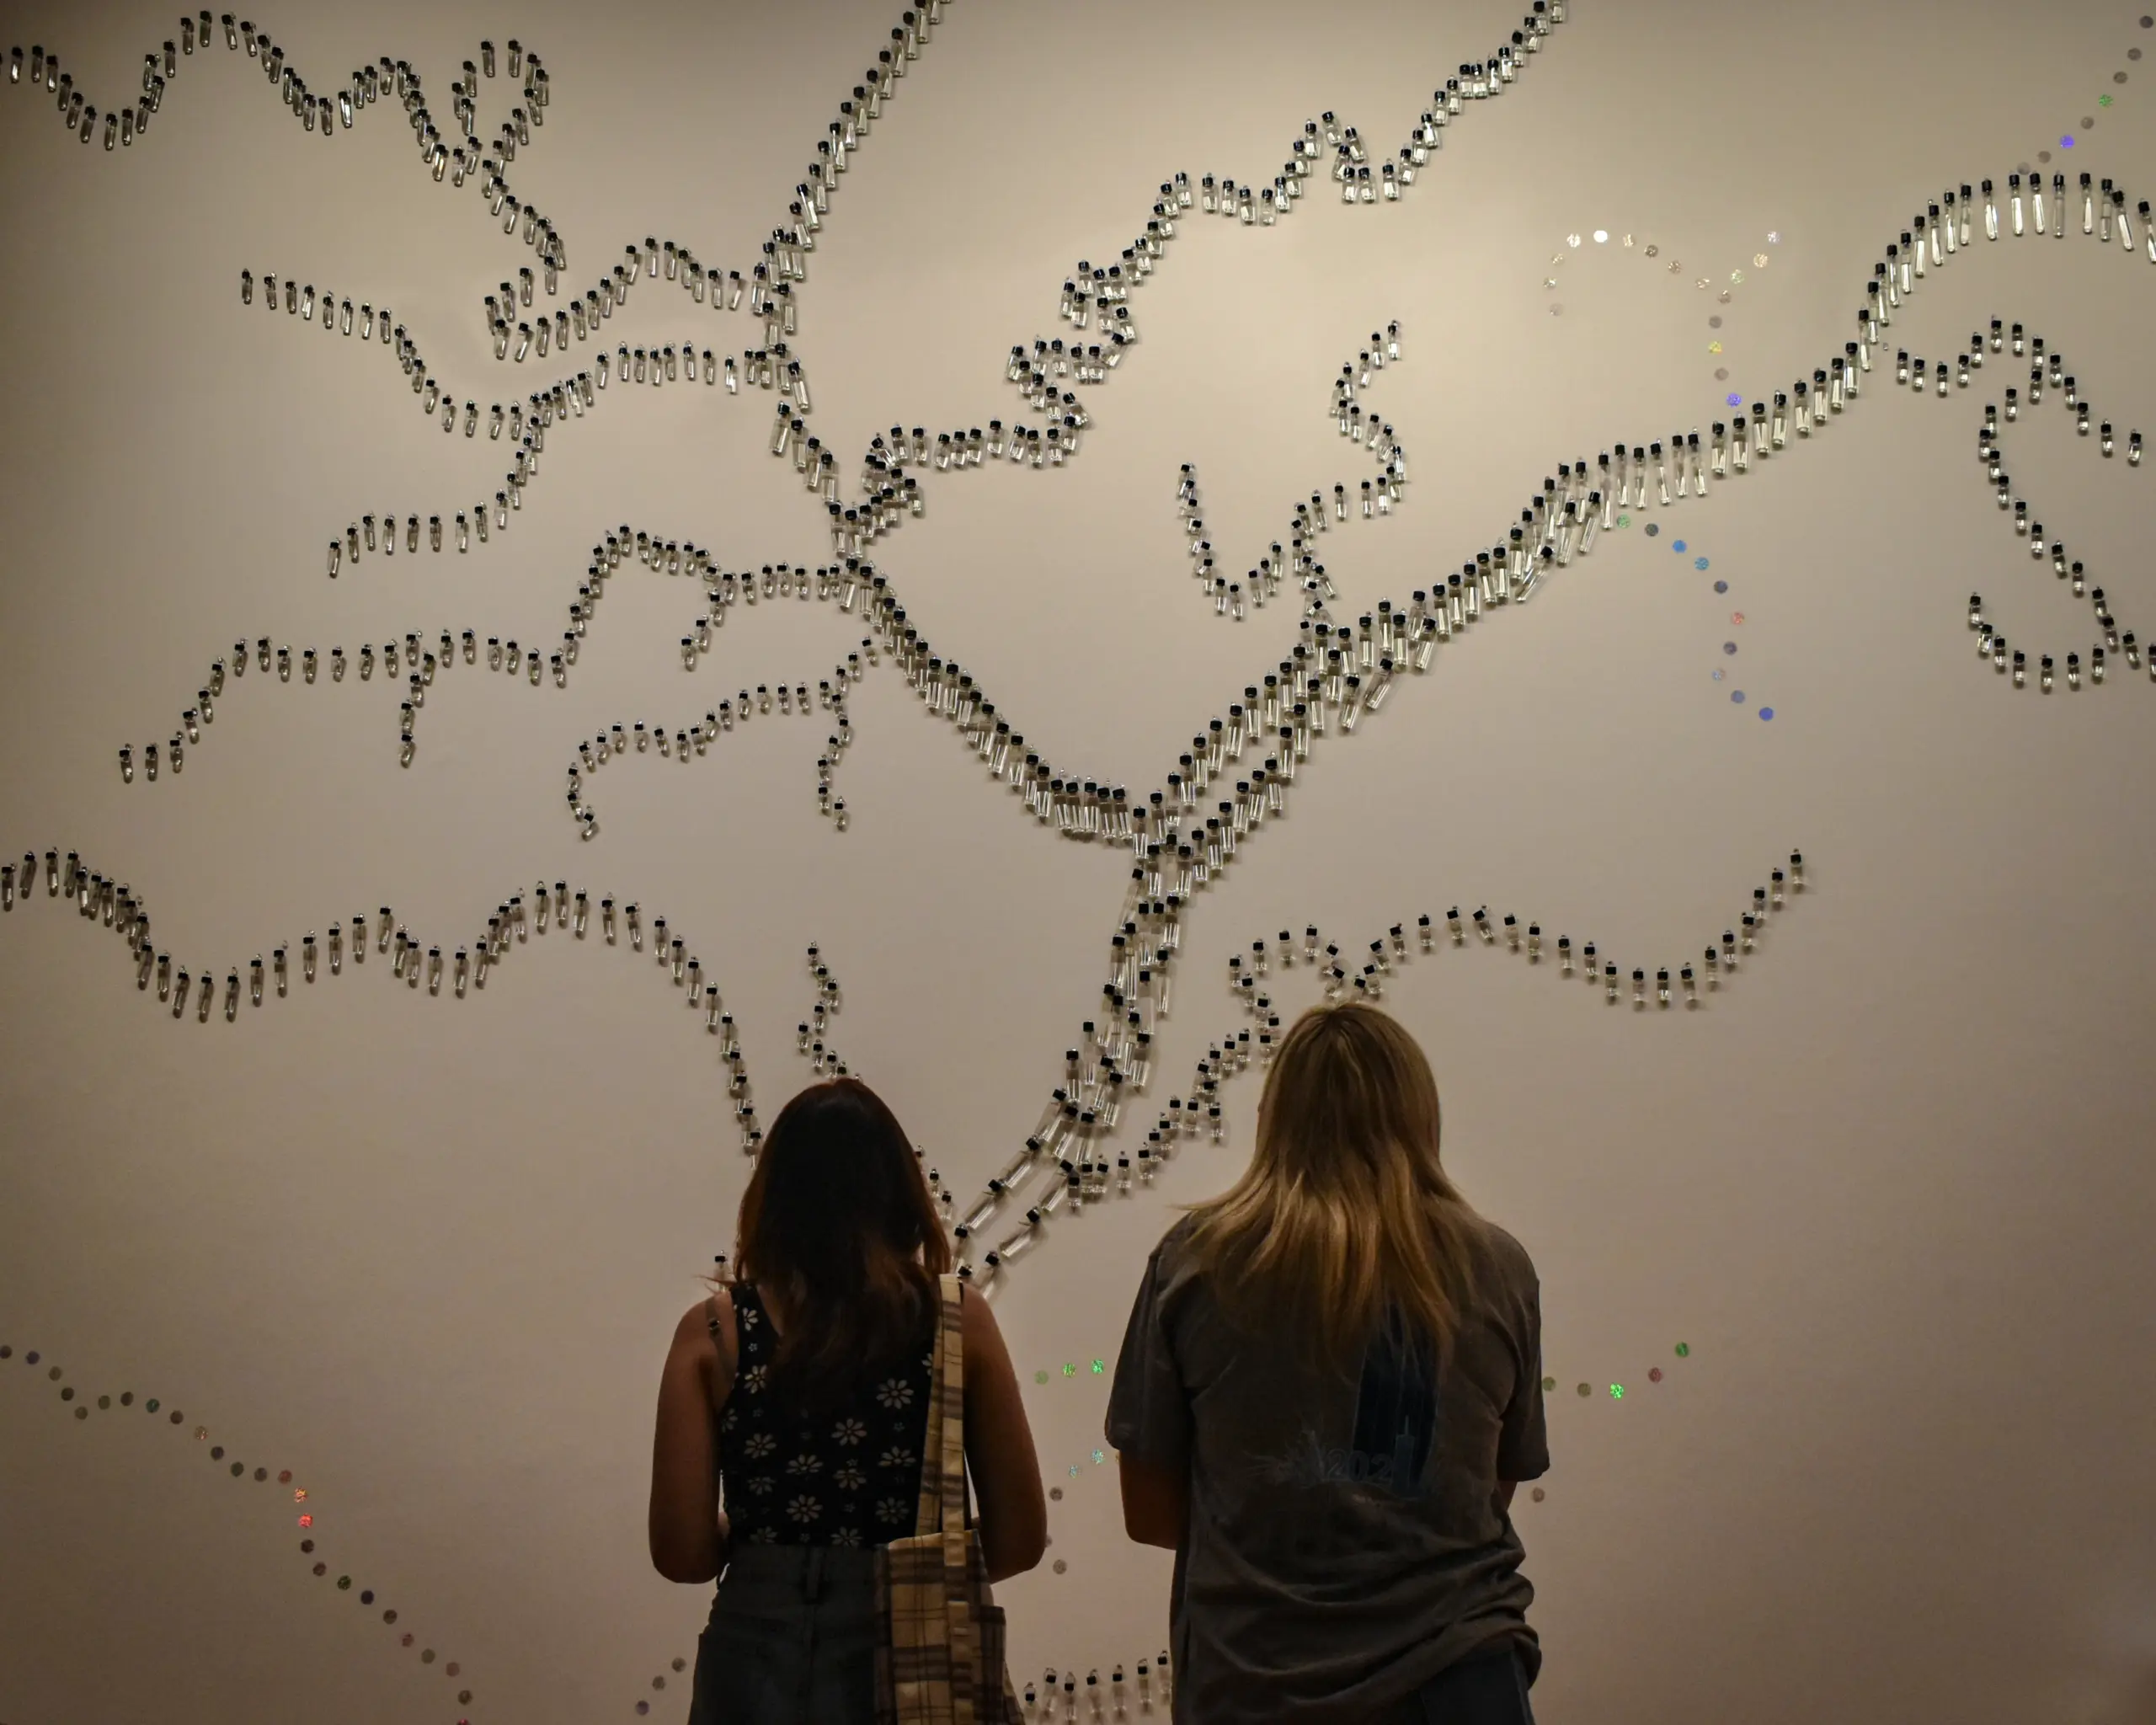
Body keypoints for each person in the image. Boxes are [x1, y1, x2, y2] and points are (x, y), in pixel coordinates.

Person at [1107, 1003, 1550, 1724]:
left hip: (1254, 1682)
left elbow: (1151, 1512)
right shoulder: (1495, 1269)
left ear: (1275, 1113)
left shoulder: (1195, 1264)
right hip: (1458, 1681)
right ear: (1420, 1113)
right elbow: (1487, 1486)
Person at [649, 1078, 1048, 1724]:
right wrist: (917, 1574)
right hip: (914, 1663)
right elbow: (1022, 1537)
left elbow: (681, 1553)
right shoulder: (954, 1322)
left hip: (752, 1657)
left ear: (773, 1196)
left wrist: (763, 1552)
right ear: (900, 1194)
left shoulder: (715, 1335)